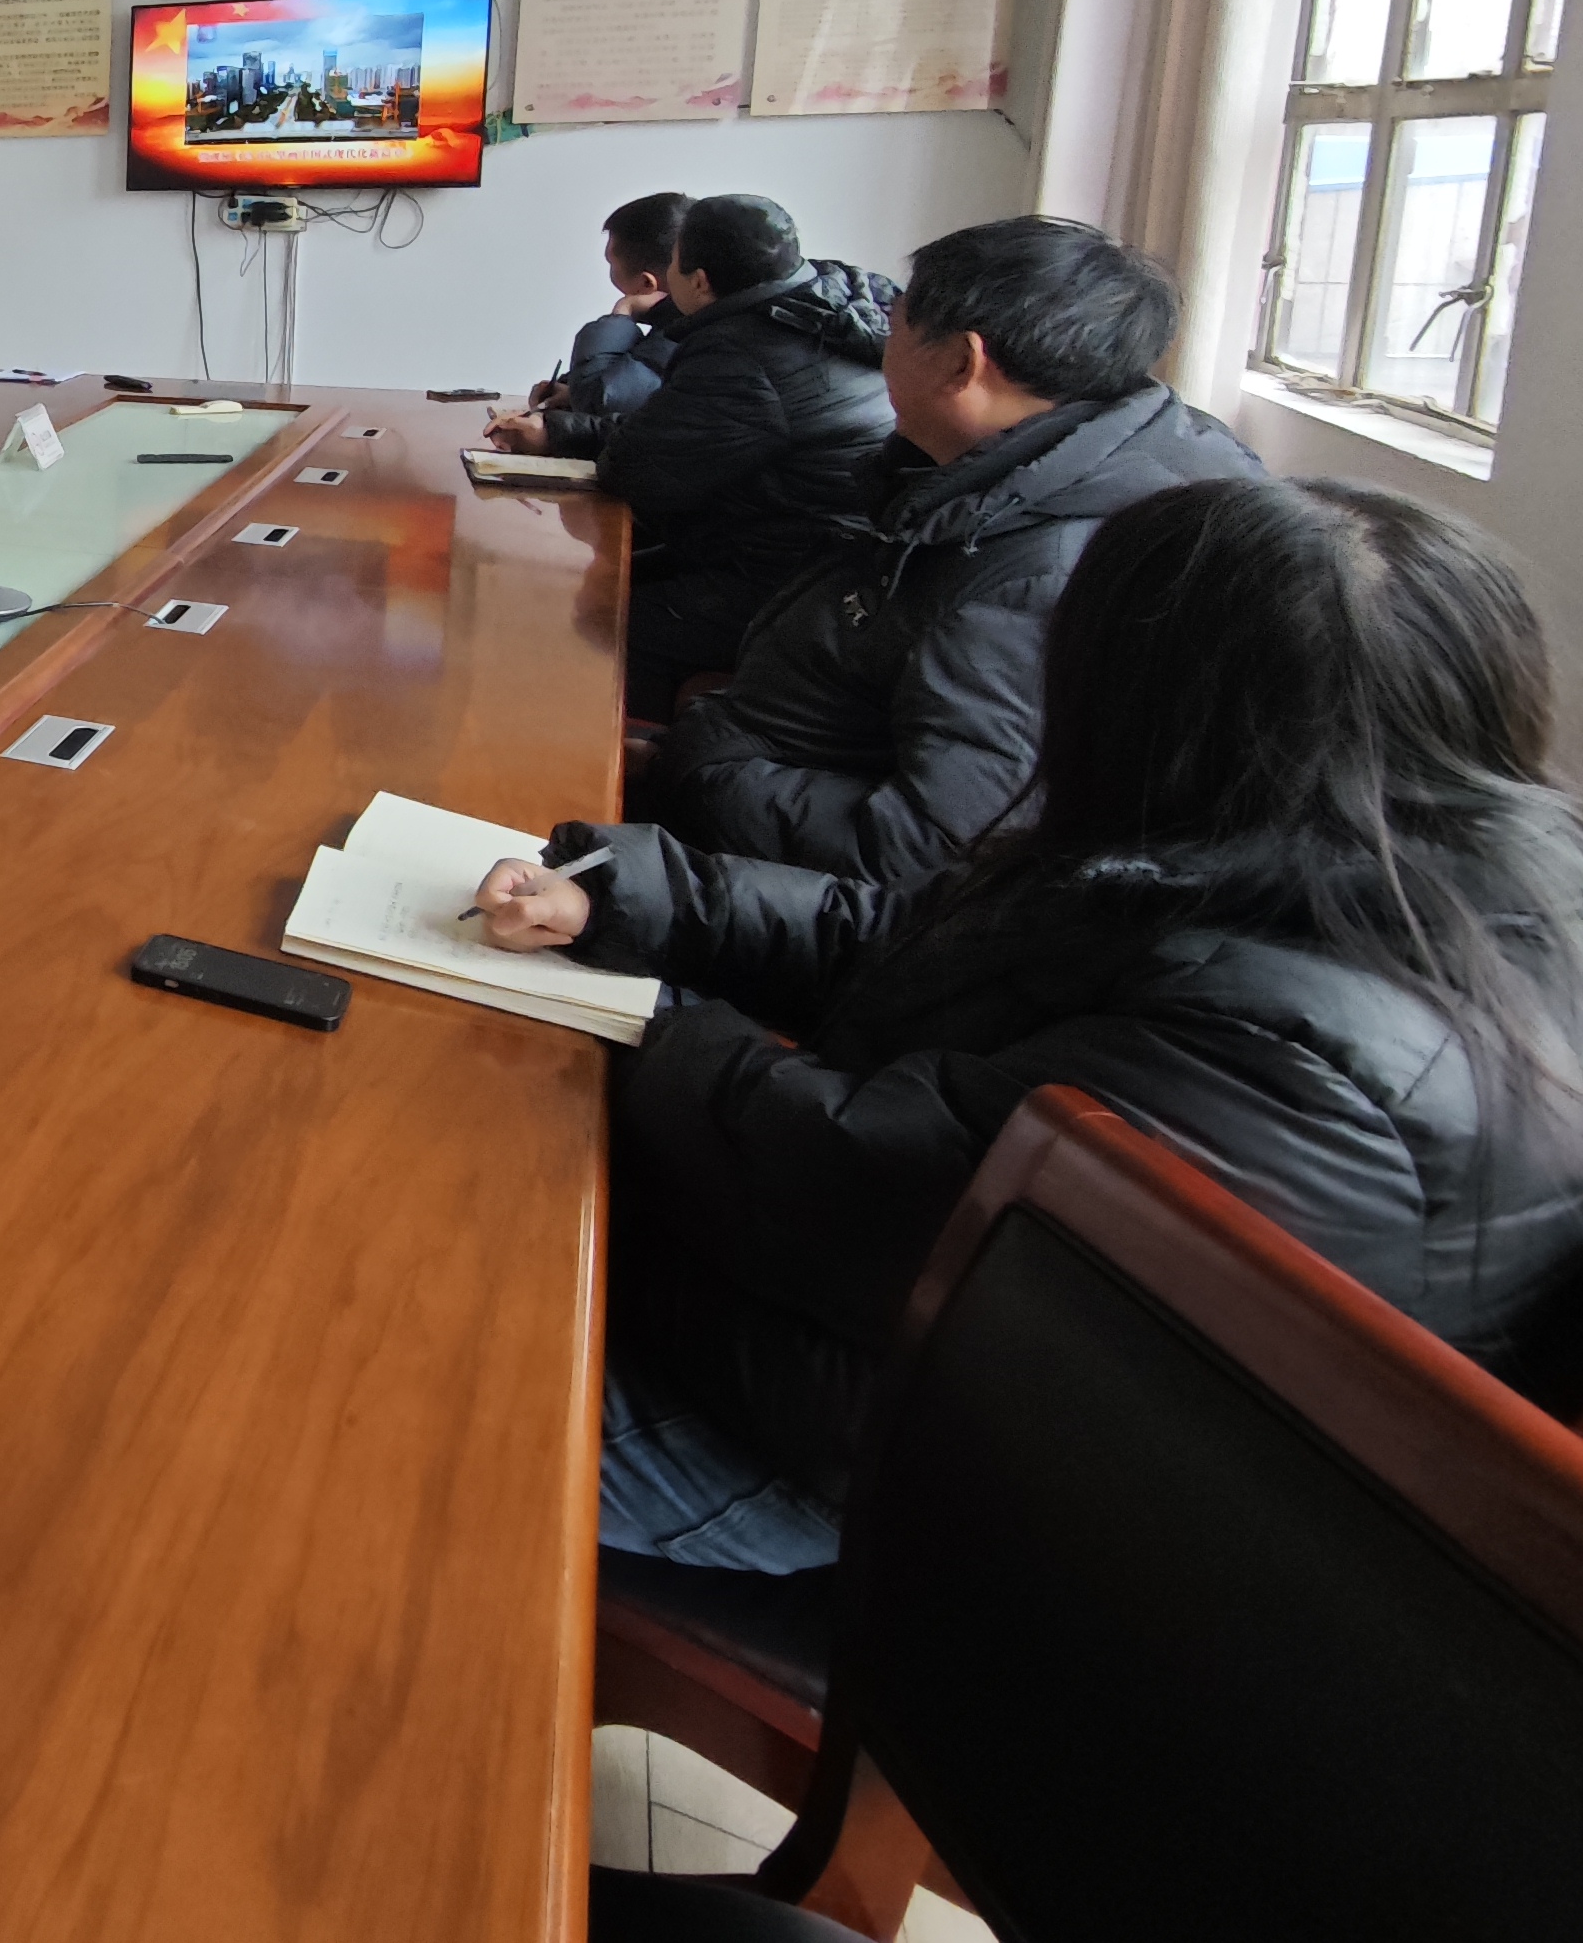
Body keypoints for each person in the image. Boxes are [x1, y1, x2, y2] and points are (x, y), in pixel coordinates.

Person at [471, 474, 1583, 1575]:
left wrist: (643, 1025)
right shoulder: (1307, 861)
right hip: (884, 1329)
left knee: (401, 1337)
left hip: (913, 1461)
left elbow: (846, 1193)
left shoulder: (1298, 1053)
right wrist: (640, 898)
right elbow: (920, 940)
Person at [652, 215, 1261, 886]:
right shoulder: (1089, 461)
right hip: (773, 784)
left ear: (961, 363)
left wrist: (704, 771)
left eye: (895, 325)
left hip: (783, 879)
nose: (876, 341)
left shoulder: (1038, 575)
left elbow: (924, 851)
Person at [561, 193, 893, 717]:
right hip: (826, 558)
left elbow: (637, 472)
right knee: (610, 575)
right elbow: (672, 433)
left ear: (698, 281)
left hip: (796, 583)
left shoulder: (743, 351)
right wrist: (560, 431)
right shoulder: (827, 303)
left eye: (673, 264)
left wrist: (570, 430)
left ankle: (635, 755)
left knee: (601, 615)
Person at [501, 191, 687, 454]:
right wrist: (571, 393)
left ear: (647, 284)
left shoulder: (685, 332)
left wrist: (622, 313)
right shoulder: (683, 322)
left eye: (610, 263)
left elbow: (601, 400)